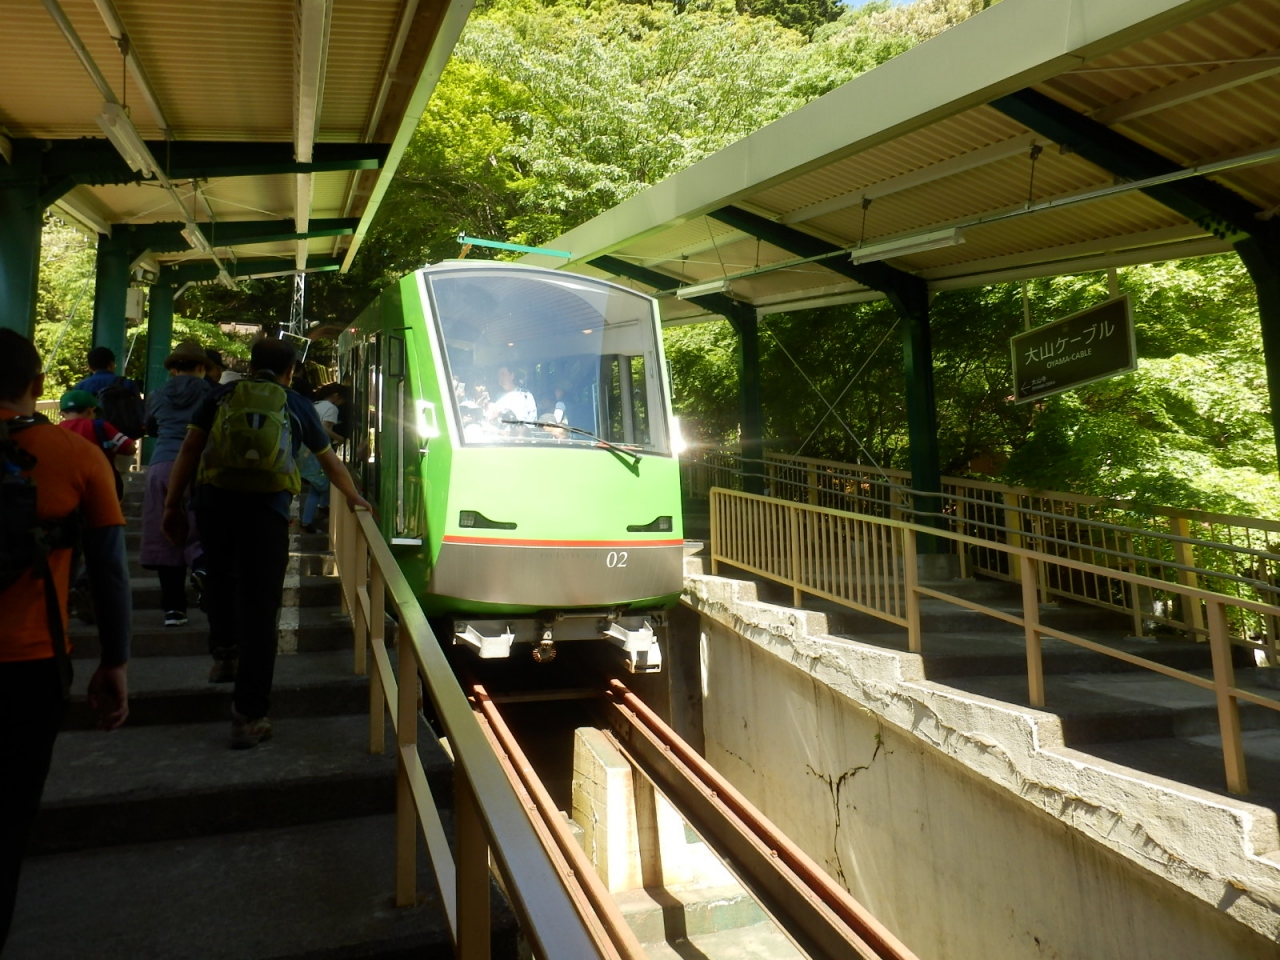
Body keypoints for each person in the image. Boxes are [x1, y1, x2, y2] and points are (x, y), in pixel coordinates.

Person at [162, 337, 371, 748]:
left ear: (252, 363)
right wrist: (353, 496)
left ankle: (224, 653)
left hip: (214, 504)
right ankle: (249, 715)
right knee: (260, 608)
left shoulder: (221, 395)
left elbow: (190, 447)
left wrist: (172, 504)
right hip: (268, 512)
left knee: (219, 579)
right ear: (290, 371)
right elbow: (329, 461)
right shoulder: (296, 403)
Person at [0, 330, 130, 951]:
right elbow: (110, 573)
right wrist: (116, 662)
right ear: (37, 386)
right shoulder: (78, 457)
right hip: (31, 668)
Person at [142, 340, 213, 629]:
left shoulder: (158, 395)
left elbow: (150, 427)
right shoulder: (210, 393)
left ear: (172, 369)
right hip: (199, 466)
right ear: (202, 367)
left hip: (161, 467)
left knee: (165, 535)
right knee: (201, 528)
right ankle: (202, 569)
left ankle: (173, 609)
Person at [56, 389, 138, 501]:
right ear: (91, 411)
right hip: (100, 486)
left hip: (67, 487)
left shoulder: (56, 431)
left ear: (61, 414)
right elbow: (130, 448)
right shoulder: (100, 426)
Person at [299, 383, 347, 534]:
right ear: (336, 396)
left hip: (305, 449)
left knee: (321, 483)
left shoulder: (316, 404)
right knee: (317, 486)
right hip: (318, 450)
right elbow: (324, 428)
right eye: (342, 399)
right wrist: (340, 438)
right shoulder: (332, 408)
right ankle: (306, 522)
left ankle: (322, 507)